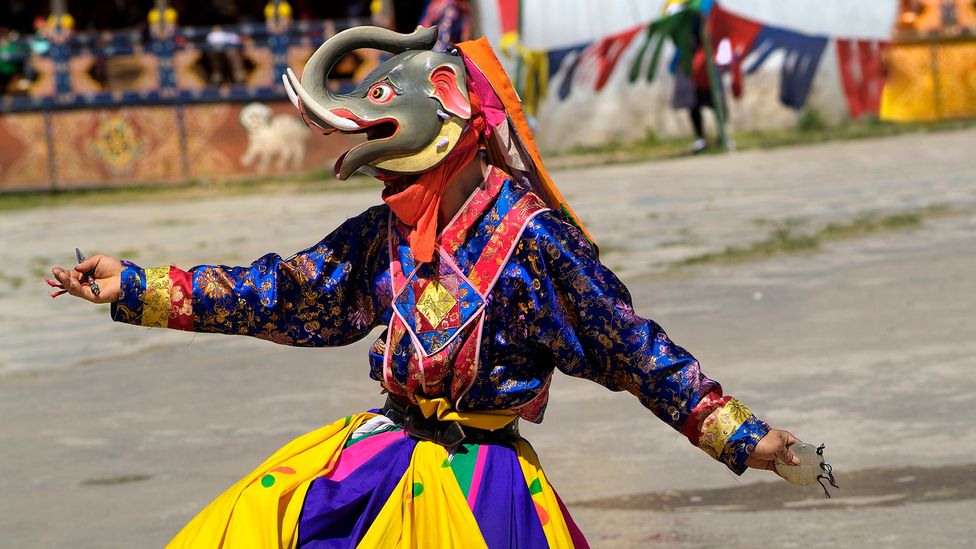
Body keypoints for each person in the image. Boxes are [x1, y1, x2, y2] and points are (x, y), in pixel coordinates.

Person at [50, 26, 800, 548]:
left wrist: (738, 433)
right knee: (251, 523)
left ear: (445, 107)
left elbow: (630, 347)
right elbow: (282, 292)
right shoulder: (383, 235)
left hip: (485, 483)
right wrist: (136, 285)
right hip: (382, 456)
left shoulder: (532, 240)